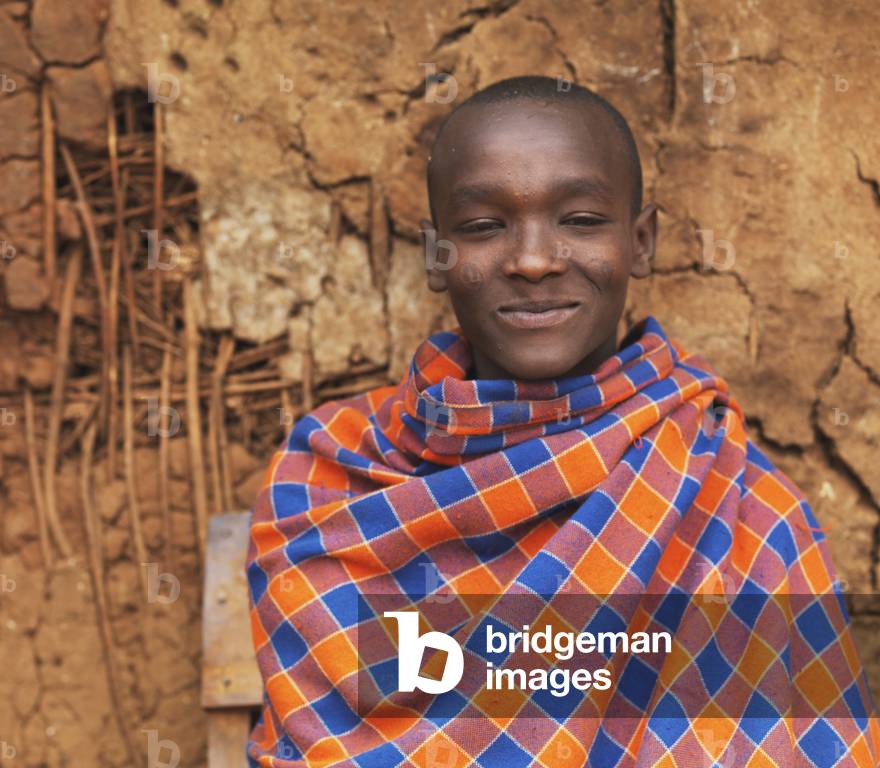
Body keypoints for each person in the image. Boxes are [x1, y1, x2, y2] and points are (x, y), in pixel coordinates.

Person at [245, 75, 879, 767]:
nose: (533, 260)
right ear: (437, 256)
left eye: (579, 221)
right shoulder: (333, 482)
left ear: (641, 242)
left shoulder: (734, 504)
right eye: (485, 226)